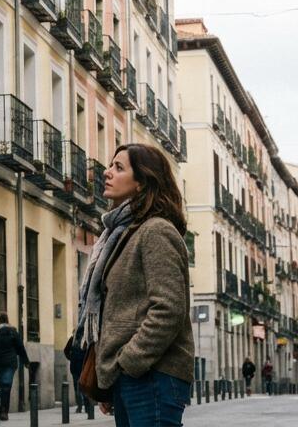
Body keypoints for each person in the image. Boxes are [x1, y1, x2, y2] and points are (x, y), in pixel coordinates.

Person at [85, 143, 194, 427]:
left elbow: (168, 308)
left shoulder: (156, 231)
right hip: (133, 376)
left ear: (142, 182)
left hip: (152, 375)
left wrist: (128, 363)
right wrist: (112, 374)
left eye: (119, 168)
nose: (107, 172)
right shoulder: (122, 234)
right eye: (111, 165)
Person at [0, 313, 29, 422]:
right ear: (7, 320)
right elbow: (20, 347)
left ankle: (2, 408)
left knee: (1, 385)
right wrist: (26, 361)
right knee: (6, 386)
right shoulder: (13, 332)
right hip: (10, 363)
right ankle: (4, 411)